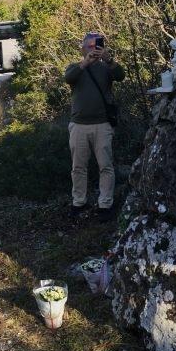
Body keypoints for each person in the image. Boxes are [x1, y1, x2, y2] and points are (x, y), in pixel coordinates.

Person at [64, 33, 125, 223]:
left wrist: (108, 59)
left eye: (96, 46)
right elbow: (69, 78)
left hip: (102, 125)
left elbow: (120, 76)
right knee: (78, 167)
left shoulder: (105, 68)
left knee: (106, 166)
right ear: (83, 49)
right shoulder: (75, 67)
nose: (93, 49)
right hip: (79, 126)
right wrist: (85, 63)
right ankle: (79, 202)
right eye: (89, 46)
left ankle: (105, 205)